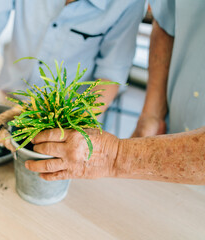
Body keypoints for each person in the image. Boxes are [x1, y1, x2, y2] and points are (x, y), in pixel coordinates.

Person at [0, 0, 145, 161]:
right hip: (6, 101)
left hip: (65, 125)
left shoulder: (127, 3)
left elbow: (110, 76)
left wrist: (72, 127)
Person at [24, 0, 205, 185]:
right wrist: (151, 117)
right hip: (171, 129)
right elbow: (167, 21)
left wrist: (115, 156)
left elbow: (110, 74)